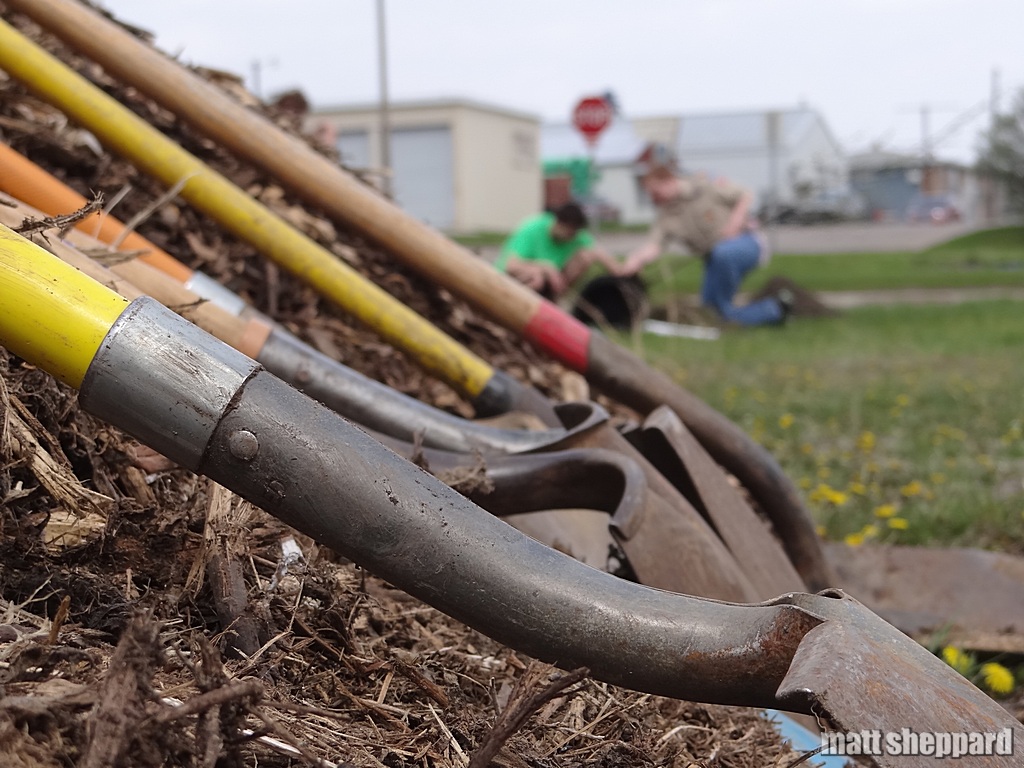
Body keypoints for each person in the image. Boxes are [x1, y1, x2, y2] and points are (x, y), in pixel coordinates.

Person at [620, 160, 791, 326]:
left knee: (723, 255)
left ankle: (768, 309)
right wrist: (635, 261)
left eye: (655, 192)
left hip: (746, 243)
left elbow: (745, 194)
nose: (653, 199)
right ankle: (776, 309)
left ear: (668, 181)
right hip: (714, 259)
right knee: (710, 312)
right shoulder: (665, 217)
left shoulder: (704, 186)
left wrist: (735, 223)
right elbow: (653, 246)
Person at [495, 202, 627, 300]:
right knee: (536, 277)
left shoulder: (575, 236)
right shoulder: (532, 228)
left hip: (551, 285)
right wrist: (546, 268)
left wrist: (621, 272)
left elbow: (598, 252)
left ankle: (555, 302)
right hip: (512, 281)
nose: (571, 238)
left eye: (574, 234)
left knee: (585, 257)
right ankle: (515, 309)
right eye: (569, 233)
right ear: (558, 223)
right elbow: (510, 265)